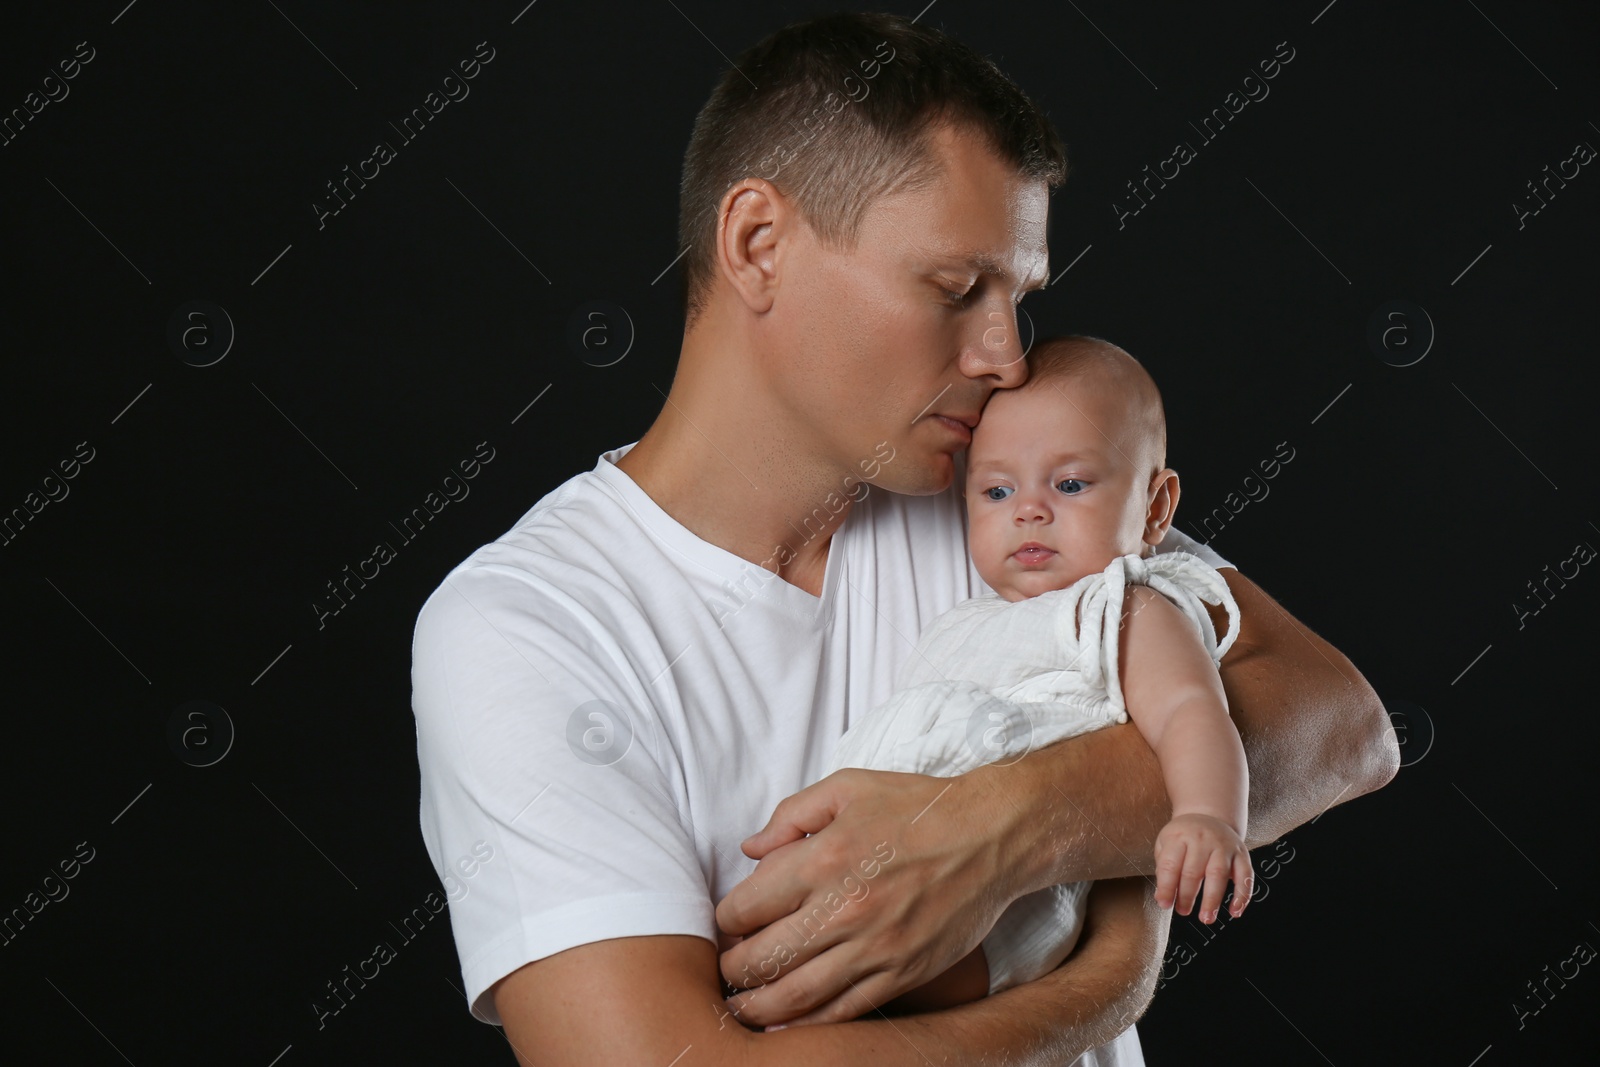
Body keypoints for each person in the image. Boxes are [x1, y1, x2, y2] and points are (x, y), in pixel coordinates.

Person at [409, 11, 1399, 1065]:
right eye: (956, 288)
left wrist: (1006, 825)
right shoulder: (527, 627)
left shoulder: (996, 499)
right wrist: (1110, 978)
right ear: (757, 244)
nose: (1006, 356)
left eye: (1017, 297)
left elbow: (1341, 725)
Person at [820, 335, 1255, 1016]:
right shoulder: (966, 618)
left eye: (1071, 483)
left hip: (1006, 910)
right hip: (887, 859)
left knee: (858, 1002)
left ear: (1154, 509)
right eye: (996, 490)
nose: (1029, 508)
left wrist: (1207, 813)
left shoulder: (1123, 608)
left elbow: (1191, 711)